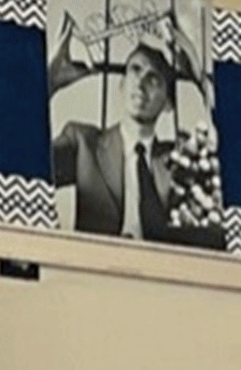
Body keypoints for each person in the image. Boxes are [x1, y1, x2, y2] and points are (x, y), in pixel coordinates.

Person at [48, 32, 221, 247]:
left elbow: (228, 182)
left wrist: (200, 82)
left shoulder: (181, 158)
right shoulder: (83, 142)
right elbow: (27, 167)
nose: (141, 83)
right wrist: (48, 82)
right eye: (135, 70)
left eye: (153, 78)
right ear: (121, 85)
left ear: (168, 104)